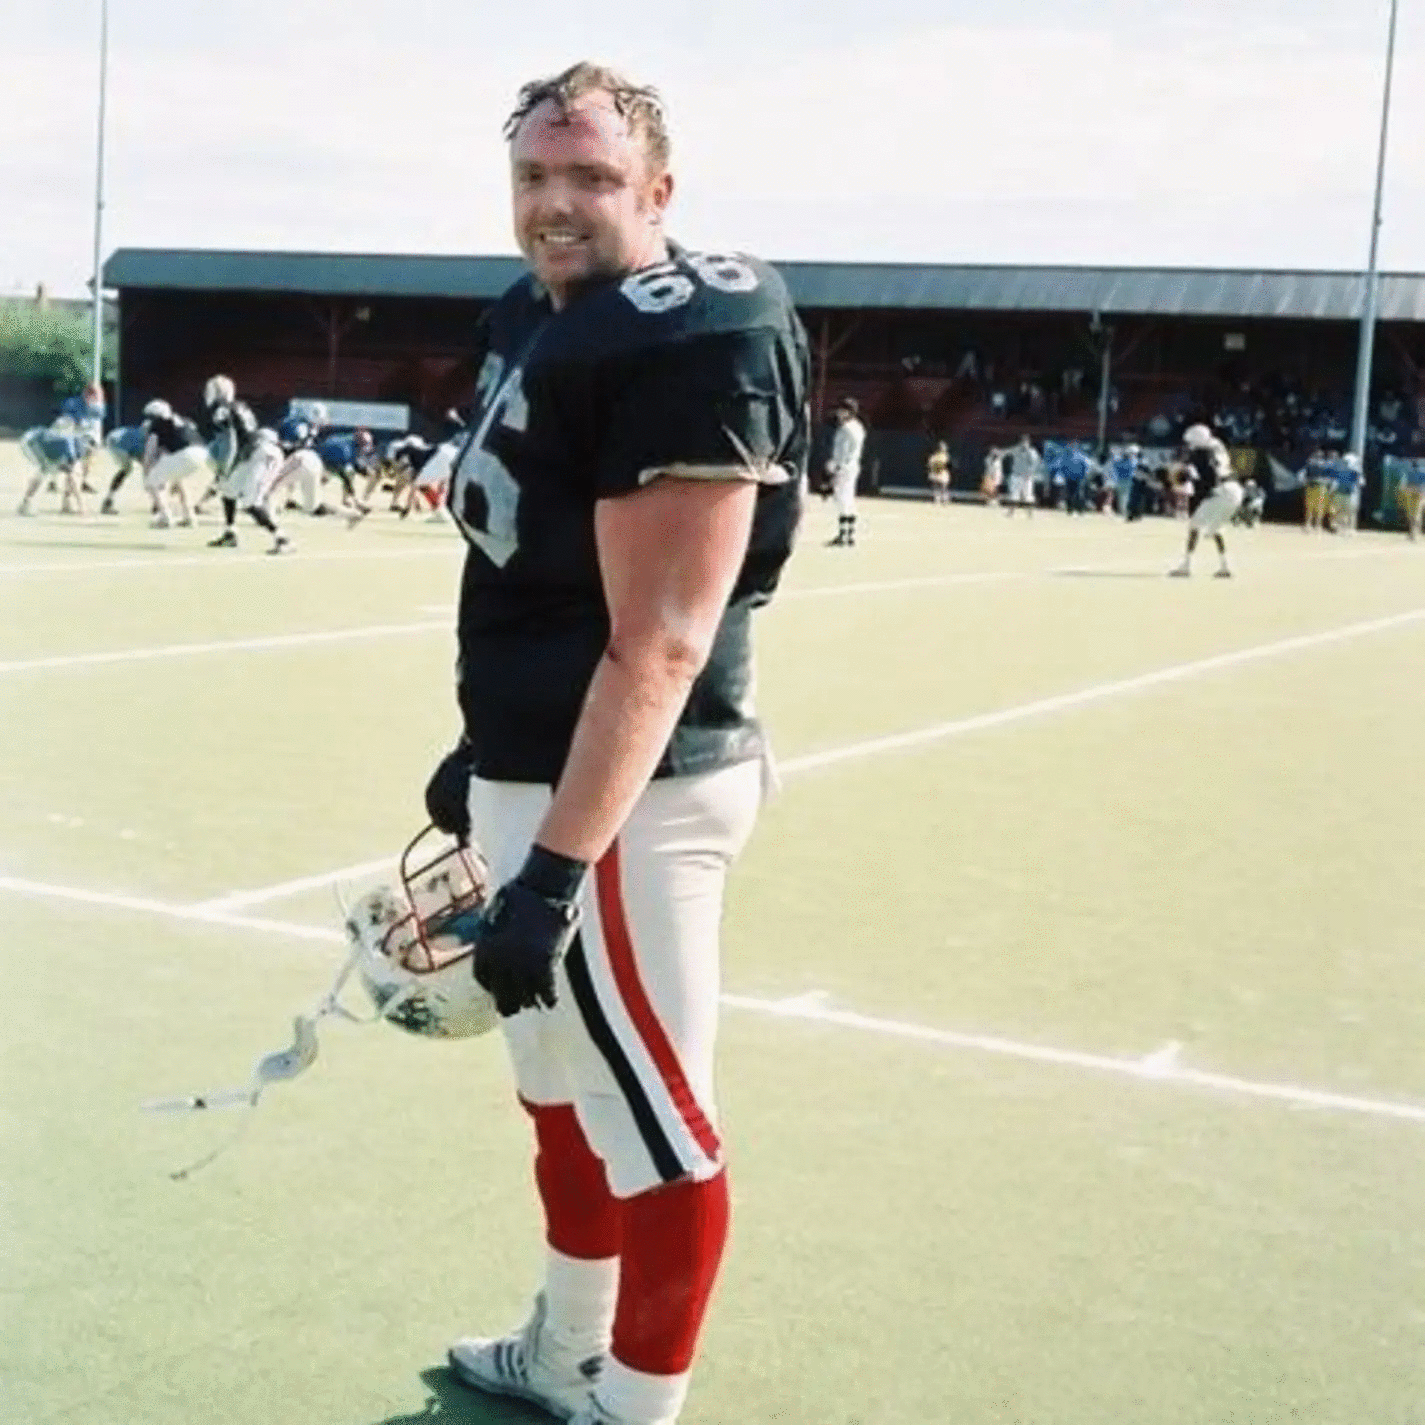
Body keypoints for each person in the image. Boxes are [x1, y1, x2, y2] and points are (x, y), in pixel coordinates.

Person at [424, 62, 808, 1425]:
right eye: (535, 176)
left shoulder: (690, 330)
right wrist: (485, 762)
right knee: (561, 1093)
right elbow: (538, 582)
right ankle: (566, 1346)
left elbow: (658, 642)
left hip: (635, 797)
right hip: (540, 770)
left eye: (590, 177)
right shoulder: (539, 314)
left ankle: (636, 1407)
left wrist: (553, 870)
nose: (556, 204)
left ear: (658, 187)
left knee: (653, 1117)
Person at [1169, 422, 1242, 577]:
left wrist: (1187, 478)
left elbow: (1209, 479)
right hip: (1235, 489)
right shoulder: (1218, 446)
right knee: (1216, 530)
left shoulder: (1202, 453)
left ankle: (1186, 566)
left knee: (1194, 526)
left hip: (1221, 491)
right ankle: (1225, 566)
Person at [824, 396, 865, 545]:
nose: (839, 413)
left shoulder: (846, 428)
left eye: (842, 410)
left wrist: (834, 467)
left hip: (844, 467)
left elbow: (842, 451)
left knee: (842, 500)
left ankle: (843, 534)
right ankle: (850, 534)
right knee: (849, 499)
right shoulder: (858, 426)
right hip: (853, 466)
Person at [926, 440, 952, 505]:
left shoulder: (945, 456)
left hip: (942, 473)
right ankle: (937, 499)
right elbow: (930, 464)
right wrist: (934, 468)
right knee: (936, 487)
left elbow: (946, 464)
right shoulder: (934, 456)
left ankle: (944, 500)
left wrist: (940, 467)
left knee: (943, 487)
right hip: (935, 473)